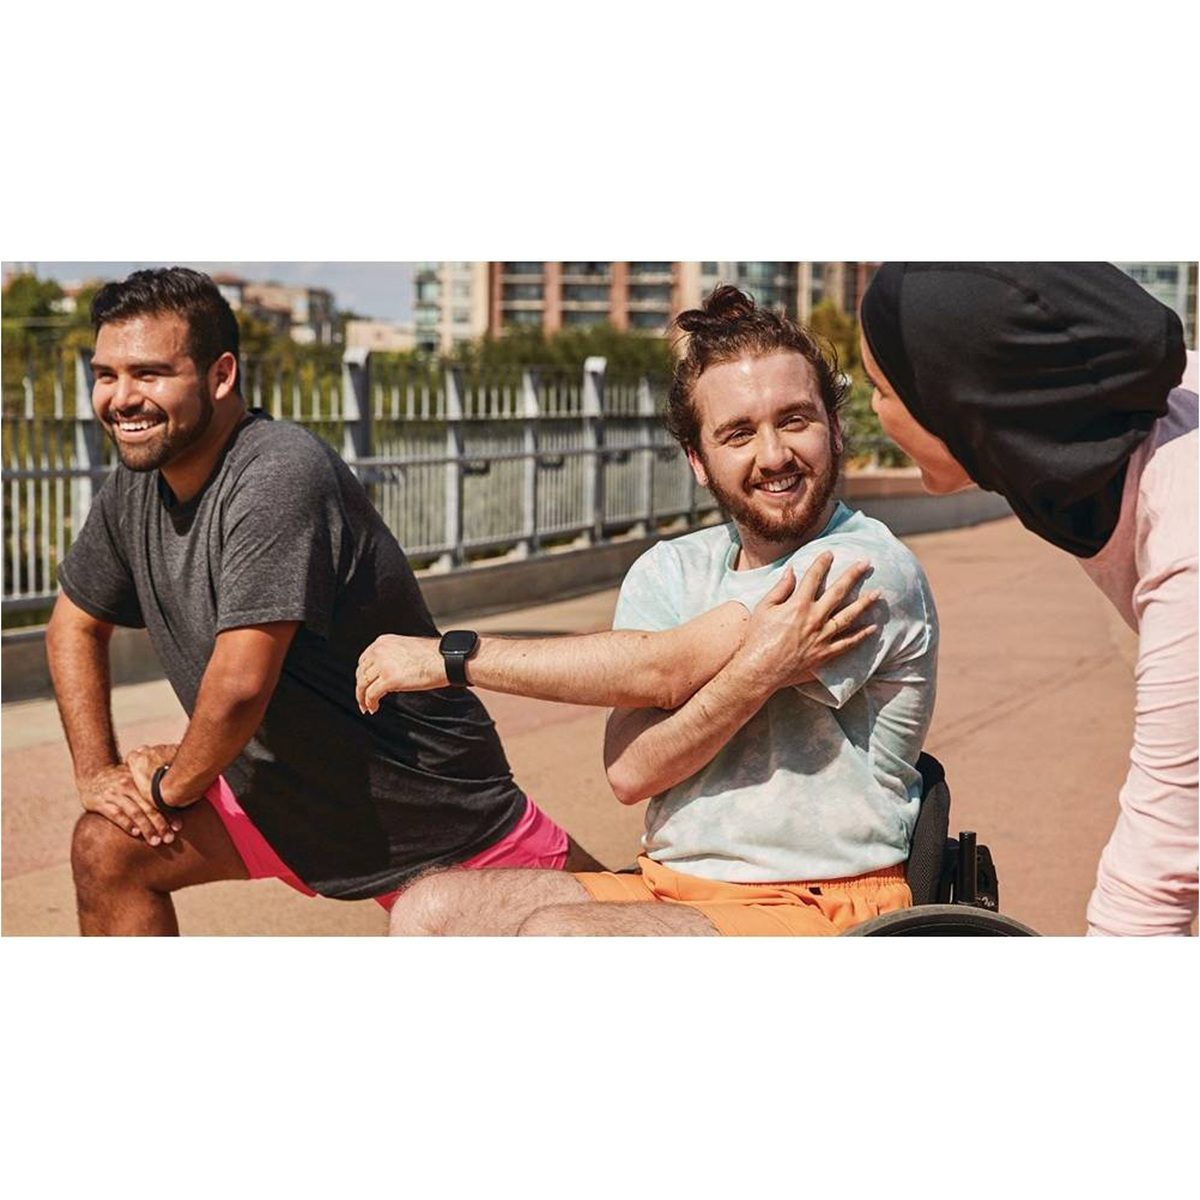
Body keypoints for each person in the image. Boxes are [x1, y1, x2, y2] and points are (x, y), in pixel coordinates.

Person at [52, 267, 865, 935]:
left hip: (422, 809)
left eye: (150, 373)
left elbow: (238, 685)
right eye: (106, 376)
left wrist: (167, 787)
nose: (123, 397)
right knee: (109, 848)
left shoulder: (274, 474)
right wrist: (99, 775)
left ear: (221, 374)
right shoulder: (134, 490)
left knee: (584, 929)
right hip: (279, 803)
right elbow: (72, 625)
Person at [362, 286, 939, 935]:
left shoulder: (865, 568)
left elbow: (665, 670)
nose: (774, 454)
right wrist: (759, 669)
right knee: (431, 910)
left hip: (823, 902)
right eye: (739, 433)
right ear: (698, 461)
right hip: (671, 886)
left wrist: (453, 658)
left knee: (562, 938)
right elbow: (633, 771)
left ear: (834, 428)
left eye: (795, 420)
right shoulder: (670, 570)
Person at [858, 261, 1197, 936]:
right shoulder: (1108, 415)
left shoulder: (1185, 535)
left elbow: (1151, 888)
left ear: (965, 409)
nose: (872, 410)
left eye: (883, 389)